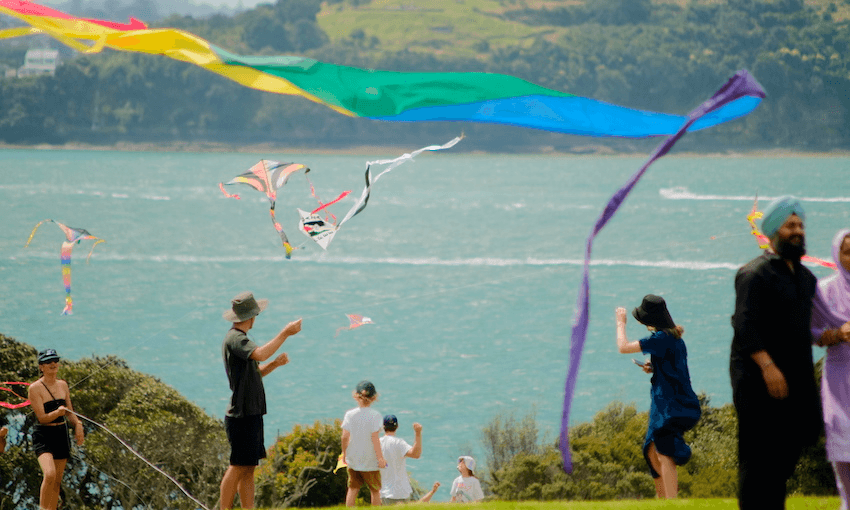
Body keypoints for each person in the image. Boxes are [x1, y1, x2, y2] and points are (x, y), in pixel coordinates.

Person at [731, 196, 822, 509]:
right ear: (772, 231)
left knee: (785, 458)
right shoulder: (754, 274)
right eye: (790, 226)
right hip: (758, 382)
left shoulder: (806, 279)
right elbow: (744, 326)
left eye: (800, 225)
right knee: (758, 461)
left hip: (795, 380)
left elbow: (813, 327)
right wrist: (768, 368)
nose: (797, 231)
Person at [219, 291, 301, 510]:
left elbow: (256, 371)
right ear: (252, 316)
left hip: (251, 412)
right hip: (241, 414)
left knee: (248, 468)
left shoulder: (239, 340)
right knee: (237, 466)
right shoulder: (236, 339)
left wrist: (275, 364)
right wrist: (285, 333)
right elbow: (261, 354)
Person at [615, 295, 701, 498]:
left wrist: (620, 323)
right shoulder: (673, 338)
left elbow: (623, 347)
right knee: (652, 451)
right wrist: (654, 367)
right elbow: (674, 368)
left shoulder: (660, 339)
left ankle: (670, 502)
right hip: (669, 402)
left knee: (664, 451)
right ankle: (661, 501)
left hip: (671, 405)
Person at [811, 228, 850, 509]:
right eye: (847, 251)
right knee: (841, 440)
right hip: (839, 376)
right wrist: (837, 335)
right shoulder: (824, 290)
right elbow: (809, 331)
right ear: (837, 255)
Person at [27, 349, 85, 510]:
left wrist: (78, 425)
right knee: (50, 474)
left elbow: (70, 413)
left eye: (55, 360)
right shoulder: (34, 388)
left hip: (61, 433)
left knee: (57, 480)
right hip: (44, 435)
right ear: (41, 367)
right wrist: (58, 412)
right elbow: (42, 418)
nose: (53, 364)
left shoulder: (63, 385)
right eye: (48, 362)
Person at [341, 380, 387, 507]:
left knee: (352, 489)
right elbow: (375, 438)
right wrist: (380, 458)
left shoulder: (350, 414)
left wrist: (344, 454)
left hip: (353, 458)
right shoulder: (375, 415)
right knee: (375, 490)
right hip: (370, 460)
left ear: (356, 396)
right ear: (374, 398)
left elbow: (345, 437)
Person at [379, 415, 423, 504]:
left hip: (384, 491)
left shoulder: (377, 443)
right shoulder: (399, 443)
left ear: (383, 427)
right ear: (397, 427)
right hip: (402, 491)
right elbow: (416, 454)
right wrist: (418, 433)